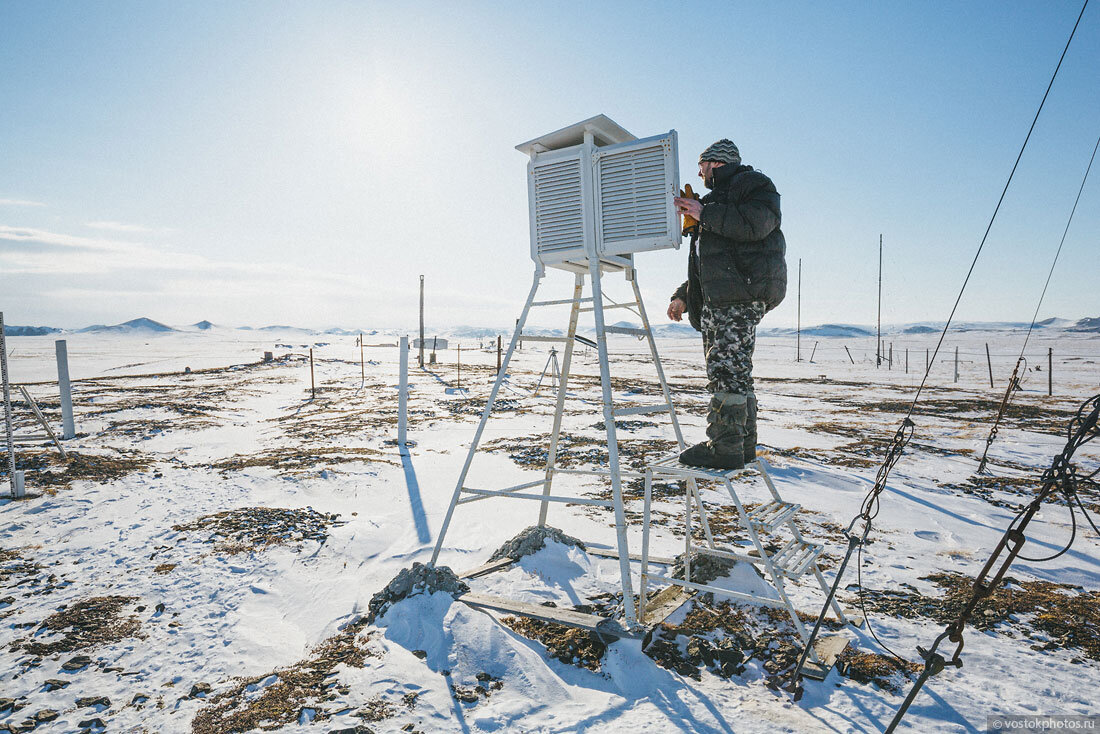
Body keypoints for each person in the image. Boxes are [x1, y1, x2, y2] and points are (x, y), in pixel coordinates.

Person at [668, 139, 787, 470]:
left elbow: (756, 224)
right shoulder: (715, 201)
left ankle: (724, 448)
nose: (699, 173)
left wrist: (705, 213)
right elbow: (712, 265)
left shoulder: (753, 185)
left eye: (701, 166)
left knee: (726, 369)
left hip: (739, 295)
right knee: (736, 369)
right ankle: (743, 445)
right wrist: (684, 295)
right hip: (724, 297)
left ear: (715, 163)